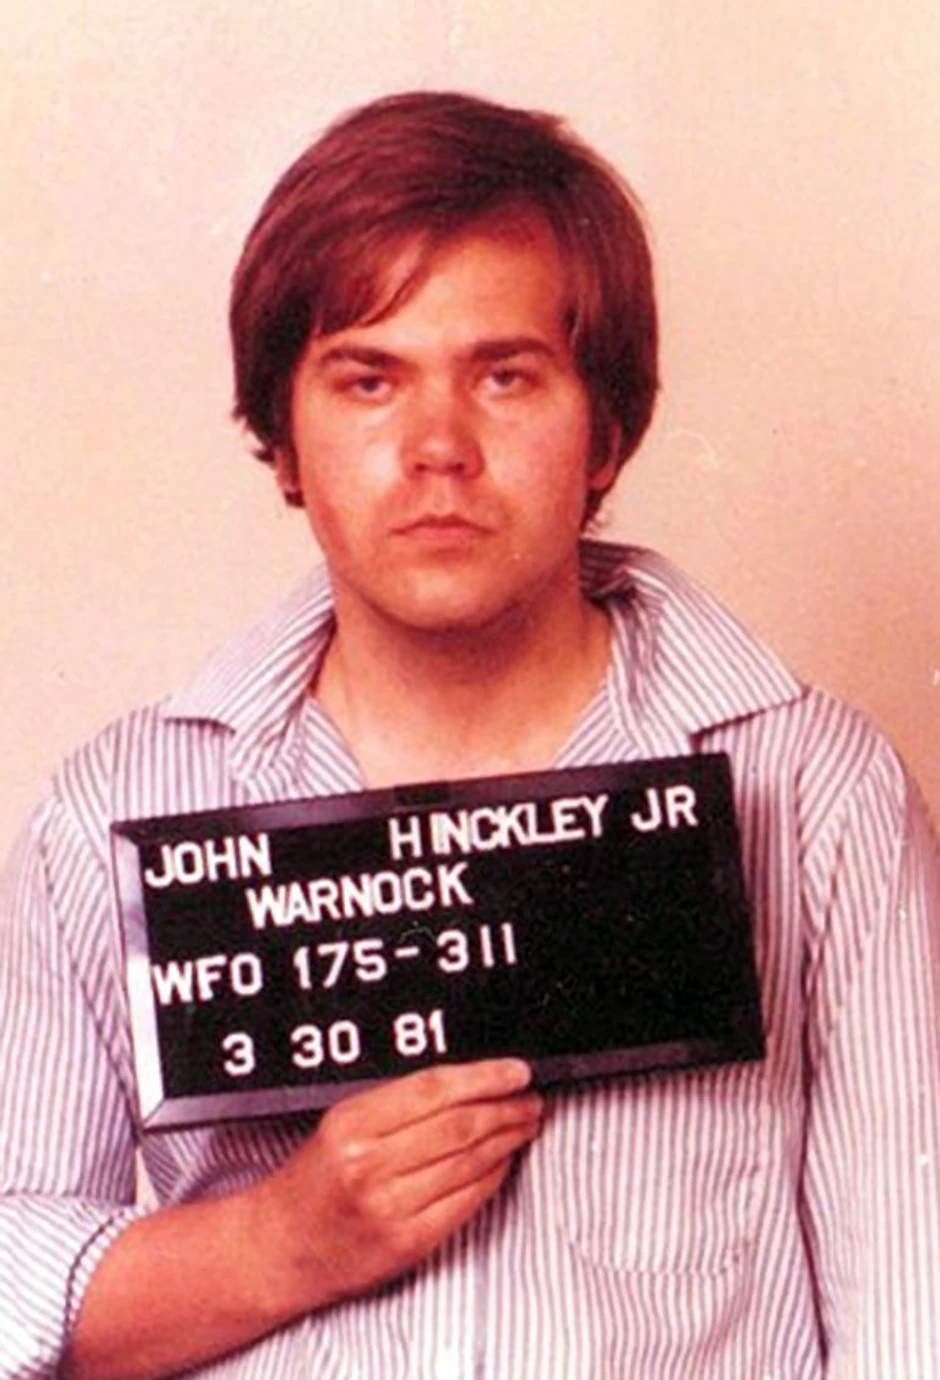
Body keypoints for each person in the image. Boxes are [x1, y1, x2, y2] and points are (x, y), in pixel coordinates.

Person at [1, 89, 938, 1380]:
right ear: (285, 439)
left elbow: (914, 1309)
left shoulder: (813, 790)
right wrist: (284, 1241)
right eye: (368, 379)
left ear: (606, 430)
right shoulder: (112, 808)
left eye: (506, 376)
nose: (438, 448)